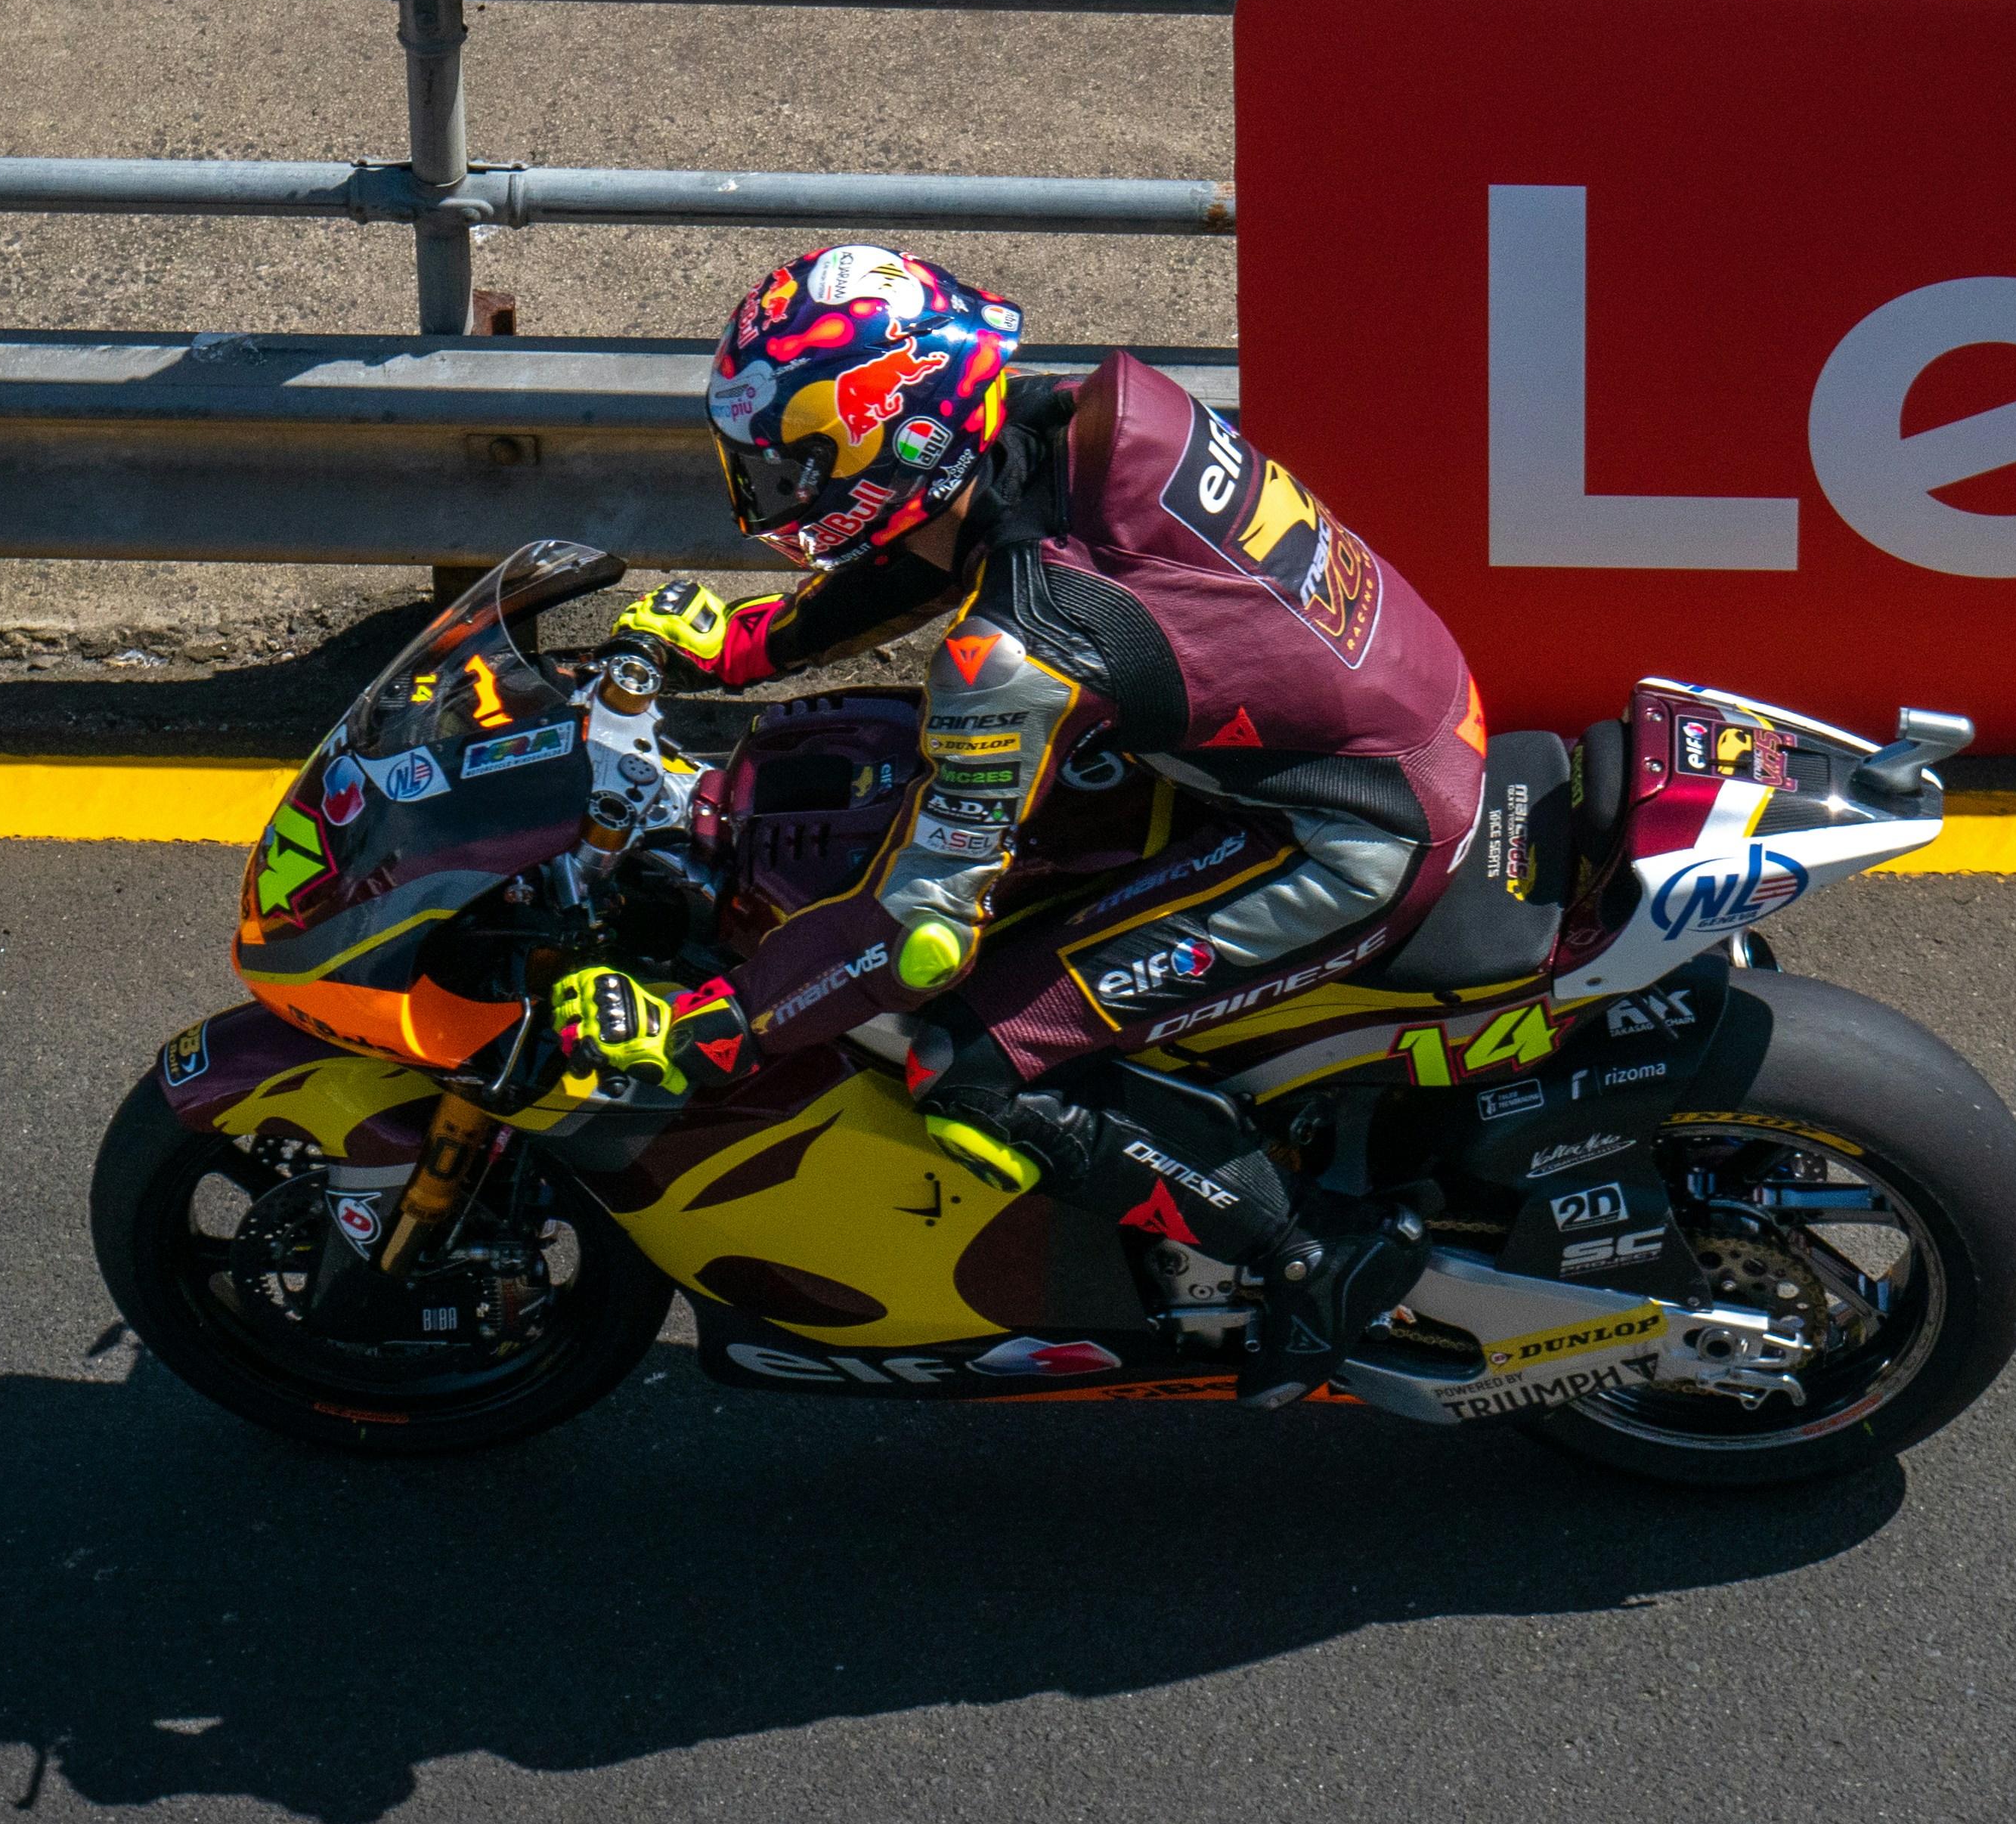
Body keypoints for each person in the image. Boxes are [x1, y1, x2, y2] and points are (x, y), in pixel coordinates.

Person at [547, 246, 1488, 1405]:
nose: (774, 491)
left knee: (970, 1056)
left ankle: (1308, 1254)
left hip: (1358, 832)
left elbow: (912, 934)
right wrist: (751, 645)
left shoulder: (1014, 654)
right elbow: (952, 540)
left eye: (794, 465)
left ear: (895, 445)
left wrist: (720, 1024)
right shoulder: (1079, 417)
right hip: (1389, 712)